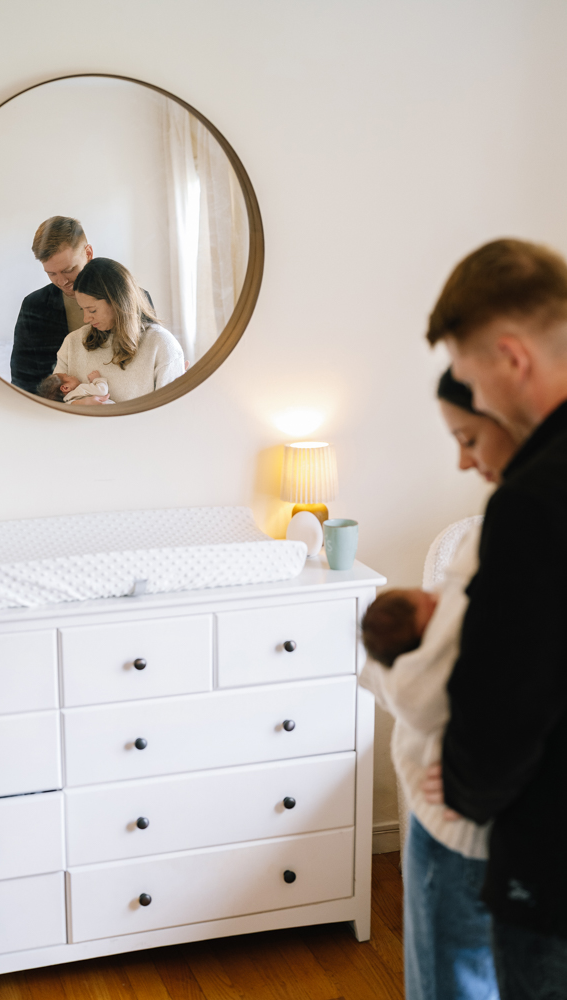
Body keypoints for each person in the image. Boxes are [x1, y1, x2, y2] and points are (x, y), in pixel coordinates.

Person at [425, 239, 567, 1000]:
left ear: (510, 357)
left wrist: (462, 790)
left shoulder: (533, 499)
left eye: (472, 376)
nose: (474, 397)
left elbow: (503, 703)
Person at [361, 368, 517, 1000]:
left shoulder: (510, 532)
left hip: (462, 816)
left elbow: (420, 696)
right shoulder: (477, 548)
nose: (459, 460)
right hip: (466, 805)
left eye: (468, 437)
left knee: (452, 978)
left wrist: (470, 773)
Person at [10, 216, 154, 393]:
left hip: (123, 410)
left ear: (88, 253)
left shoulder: (136, 298)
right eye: (51, 273)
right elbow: (22, 381)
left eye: (68, 270)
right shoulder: (34, 306)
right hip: (57, 412)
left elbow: (150, 361)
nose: (62, 281)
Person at [53, 257, 184, 403]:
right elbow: (52, 405)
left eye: (92, 310)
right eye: (82, 309)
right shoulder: (73, 342)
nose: (85, 319)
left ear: (117, 302)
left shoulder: (162, 345)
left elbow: (170, 415)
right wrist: (76, 405)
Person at [36, 369, 114, 405]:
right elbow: (102, 390)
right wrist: (97, 379)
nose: (73, 375)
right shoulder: (80, 389)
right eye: (68, 376)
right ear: (65, 388)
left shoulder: (68, 404)